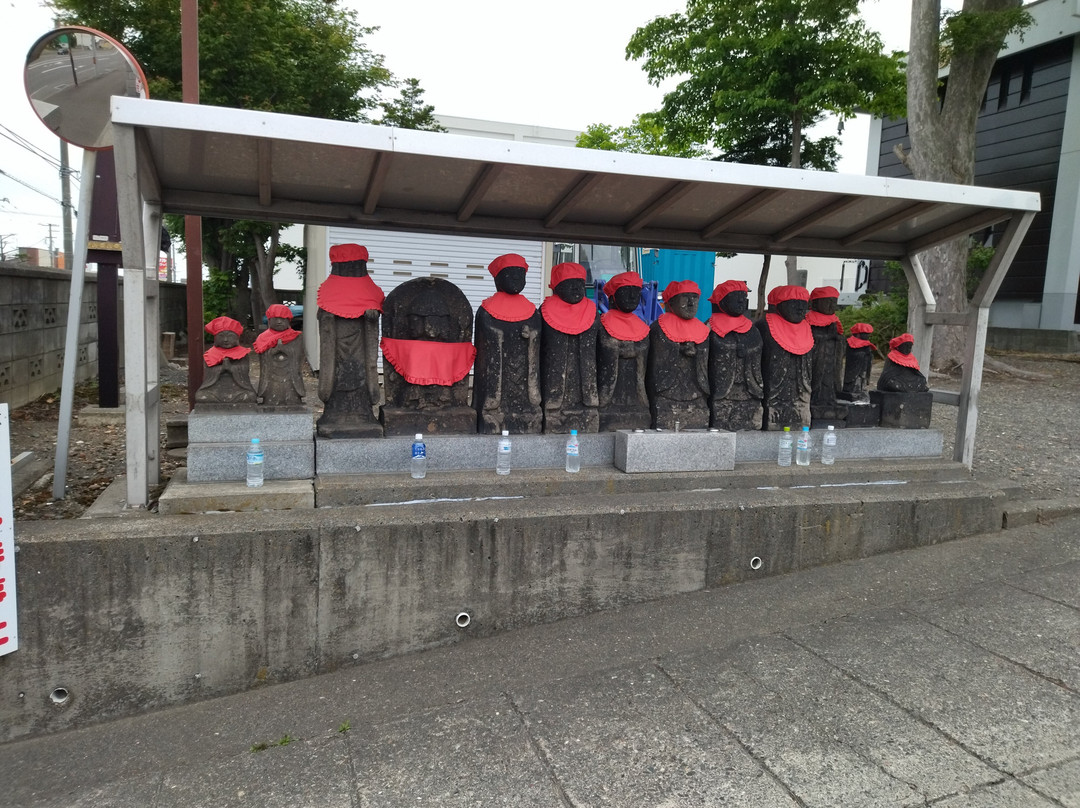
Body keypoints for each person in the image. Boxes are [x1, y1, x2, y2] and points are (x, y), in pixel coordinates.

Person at [316, 243, 384, 437]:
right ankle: (335, 414)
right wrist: (328, 317)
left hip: (360, 347)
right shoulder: (328, 290)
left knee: (360, 376)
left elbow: (374, 316)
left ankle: (363, 414)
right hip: (337, 346)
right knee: (339, 377)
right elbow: (322, 317)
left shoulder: (369, 289)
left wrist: (372, 317)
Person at [473, 253, 543, 434]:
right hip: (498, 369)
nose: (516, 279)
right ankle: (491, 412)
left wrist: (532, 335)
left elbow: (538, 334)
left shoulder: (532, 310)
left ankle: (527, 412)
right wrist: (496, 336)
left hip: (523, 365)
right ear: (498, 279)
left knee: (525, 394)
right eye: (510, 275)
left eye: (521, 275)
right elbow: (482, 342)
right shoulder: (486, 310)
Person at [540, 262, 599, 433]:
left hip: (585, 376)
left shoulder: (593, 312)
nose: (576, 288)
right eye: (569, 283)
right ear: (557, 287)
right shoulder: (544, 311)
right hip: (555, 377)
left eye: (580, 283)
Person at [646, 279, 710, 429]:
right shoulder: (659, 328)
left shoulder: (703, 329)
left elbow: (706, 361)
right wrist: (677, 350)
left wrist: (698, 353)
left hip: (694, 390)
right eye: (685, 297)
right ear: (671, 302)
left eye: (695, 298)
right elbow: (657, 361)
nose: (690, 303)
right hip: (668, 391)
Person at [597, 272, 651, 431]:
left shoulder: (643, 327)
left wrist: (634, 351)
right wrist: (617, 349)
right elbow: (602, 352)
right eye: (626, 291)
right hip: (611, 391)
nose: (632, 296)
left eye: (636, 292)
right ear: (613, 297)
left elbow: (646, 355)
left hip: (634, 389)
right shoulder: (603, 324)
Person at [707, 279, 763, 431]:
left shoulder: (752, 329)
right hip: (724, 391)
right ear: (723, 300)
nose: (741, 300)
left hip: (748, 387)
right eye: (736, 296)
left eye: (744, 297)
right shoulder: (711, 327)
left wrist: (747, 351)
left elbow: (758, 349)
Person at [755, 285, 813, 430]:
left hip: (799, 393)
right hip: (774, 393)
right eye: (794, 303)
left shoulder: (807, 326)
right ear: (778, 305)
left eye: (803, 304)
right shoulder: (764, 326)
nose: (800, 308)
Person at [807, 285, 848, 424]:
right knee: (816, 379)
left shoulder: (834, 320)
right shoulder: (809, 319)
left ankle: (829, 399)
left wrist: (838, 339)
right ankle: (814, 400)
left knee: (829, 382)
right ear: (815, 303)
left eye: (834, 302)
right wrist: (826, 338)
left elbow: (841, 338)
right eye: (827, 301)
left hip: (831, 358)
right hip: (817, 358)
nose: (832, 305)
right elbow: (809, 338)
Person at [195, 315, 257, 404]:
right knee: (201, 396)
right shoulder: (210, 354)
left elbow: (245, 370)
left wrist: (232, 368)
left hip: (237, 389)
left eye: (230, 336)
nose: (225, 340)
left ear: (236, 338)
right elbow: (208, 373)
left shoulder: (242, 354)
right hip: (215, 390)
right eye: (221, 336)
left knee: (250, 396)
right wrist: (221, 368)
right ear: (215, 339)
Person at [253, 303, 305, 407]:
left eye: (283, 319)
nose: (279, 321)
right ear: (269, 320)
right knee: (271, 394)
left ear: (289, 320)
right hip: (271, 375)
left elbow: (299, 356)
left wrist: (285, 350)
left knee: (291, 396)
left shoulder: (295, 337)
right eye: (275, 318)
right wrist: (273, 352)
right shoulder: (263, 338)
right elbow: (262, 357)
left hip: (290, 375)